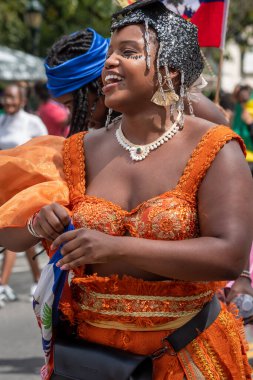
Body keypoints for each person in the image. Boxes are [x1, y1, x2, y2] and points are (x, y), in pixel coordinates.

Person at [0, 3, 252, 379]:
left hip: (186, 358)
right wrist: (40, 223)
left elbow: (229, 255)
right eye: (111, 53)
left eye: (129, 52)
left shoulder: (215, 147)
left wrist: (115, 247)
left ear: (169, 67)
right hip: (89, 361)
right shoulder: (79, 148)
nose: (111, 63)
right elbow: (11, 234)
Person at [45, 27, 228, 136]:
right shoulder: (95, 141)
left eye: (71, 106)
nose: (72, 116)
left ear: (102, 85)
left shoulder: (171, 104)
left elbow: (223, 133)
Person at [0, 84, 47, 303]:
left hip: (25, 189)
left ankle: (2, 284)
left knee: (11, 230)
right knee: (22, 239)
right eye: (5, 97)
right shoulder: (2, 121)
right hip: (4, 188)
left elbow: (47, 150)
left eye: (11, 98)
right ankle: (38, 278)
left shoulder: (32, 122)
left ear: (22, 101)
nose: (7, 102)